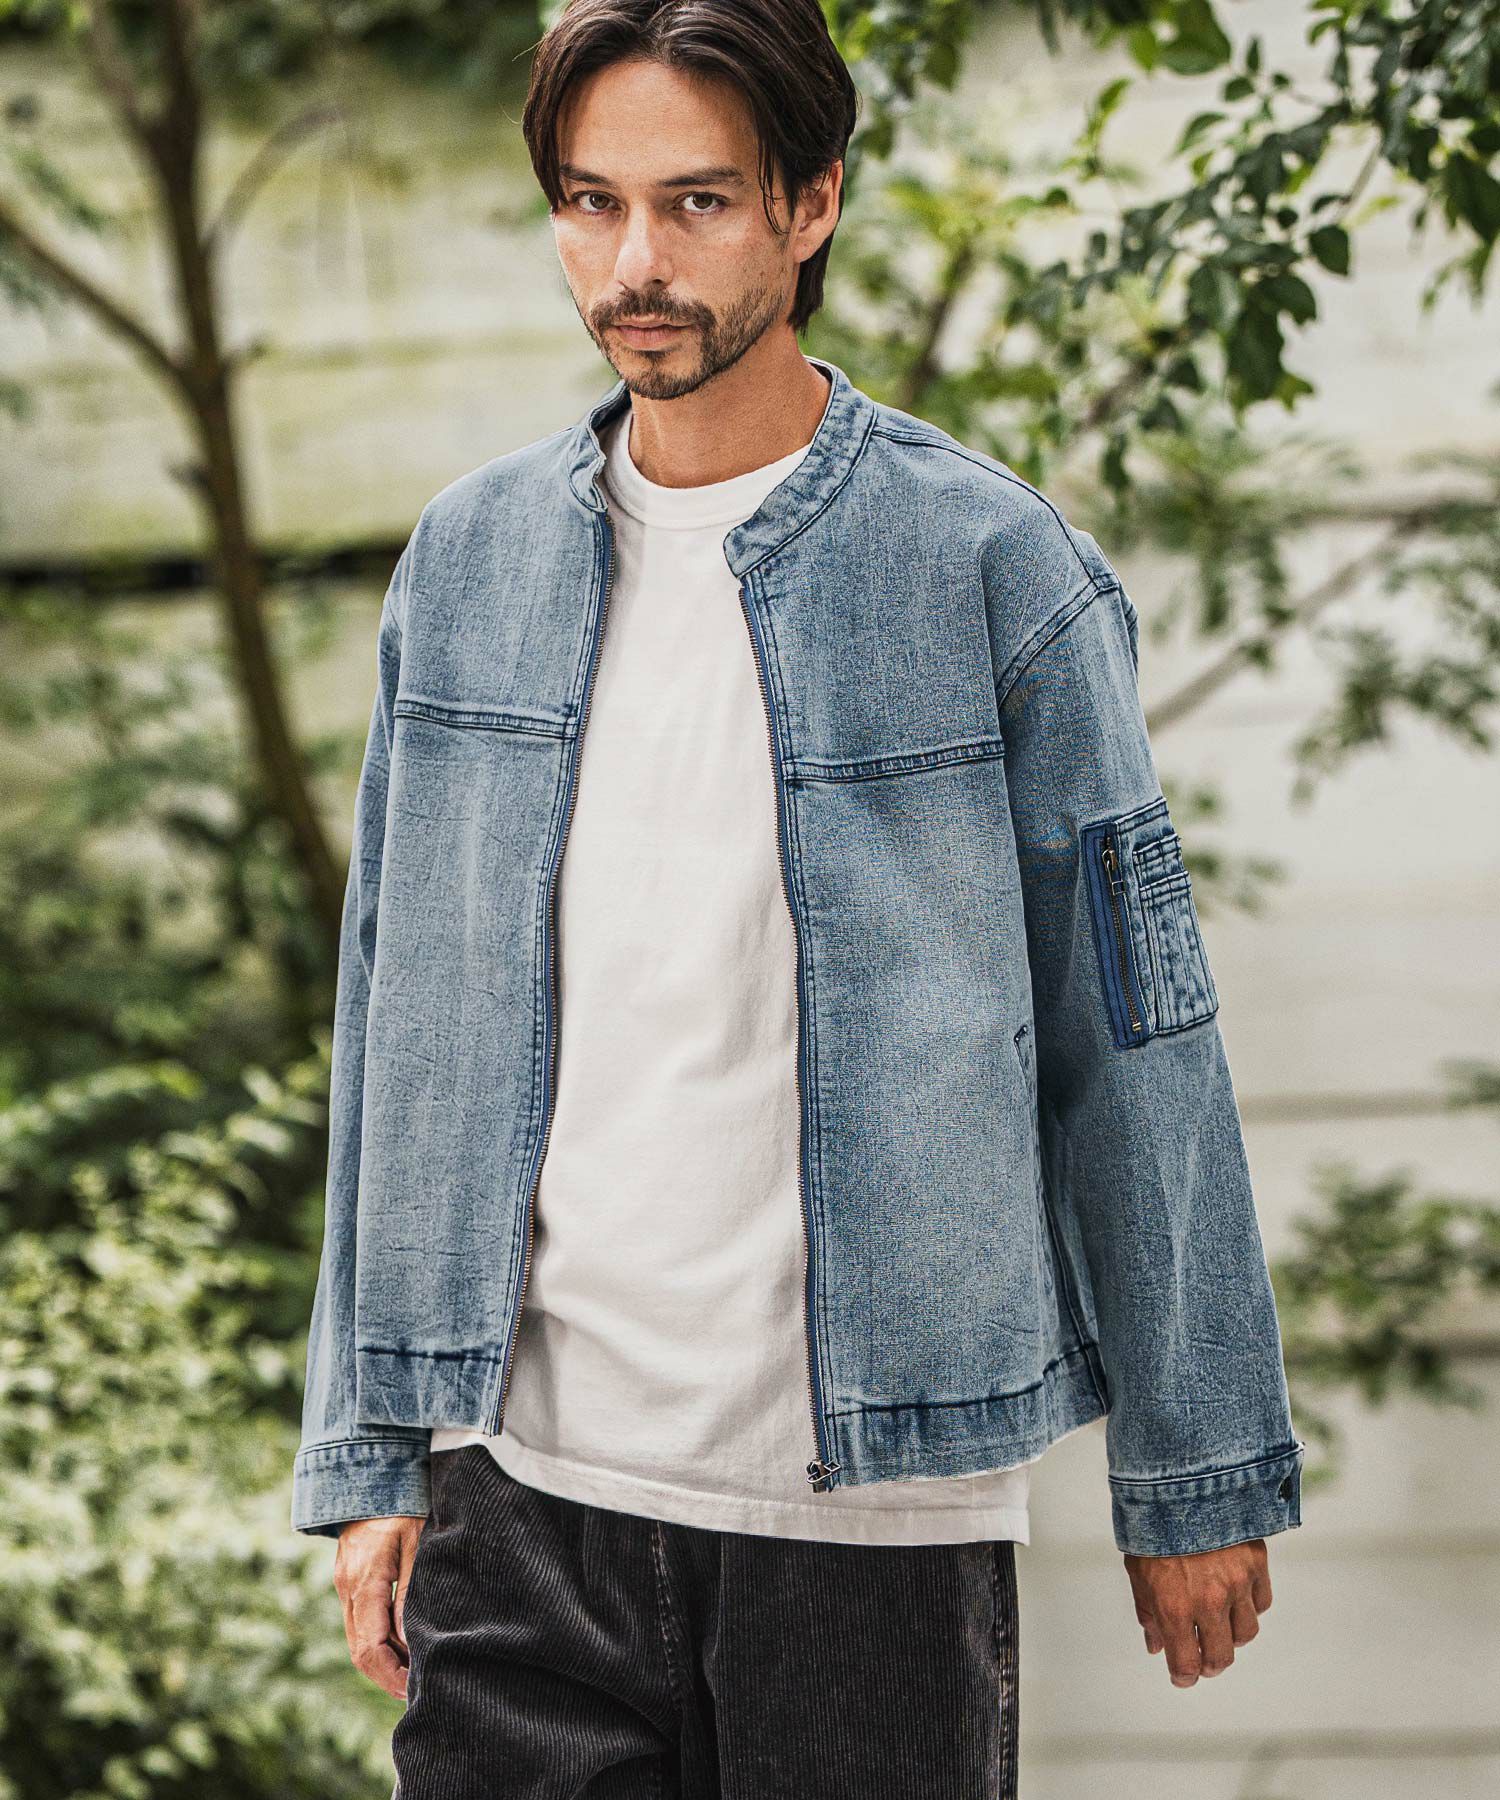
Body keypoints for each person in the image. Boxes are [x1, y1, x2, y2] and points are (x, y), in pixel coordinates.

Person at [290, 3, 1304, 1794]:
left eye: (695, 202)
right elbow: (391, 1020)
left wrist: (1195, 1462)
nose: (636, 264)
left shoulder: (991, 567)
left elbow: (1133, 1030)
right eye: (592, 203)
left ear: (811, 202)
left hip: (867, 1527)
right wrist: (374, 1449)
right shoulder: (468, 566)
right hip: (519, 1499)